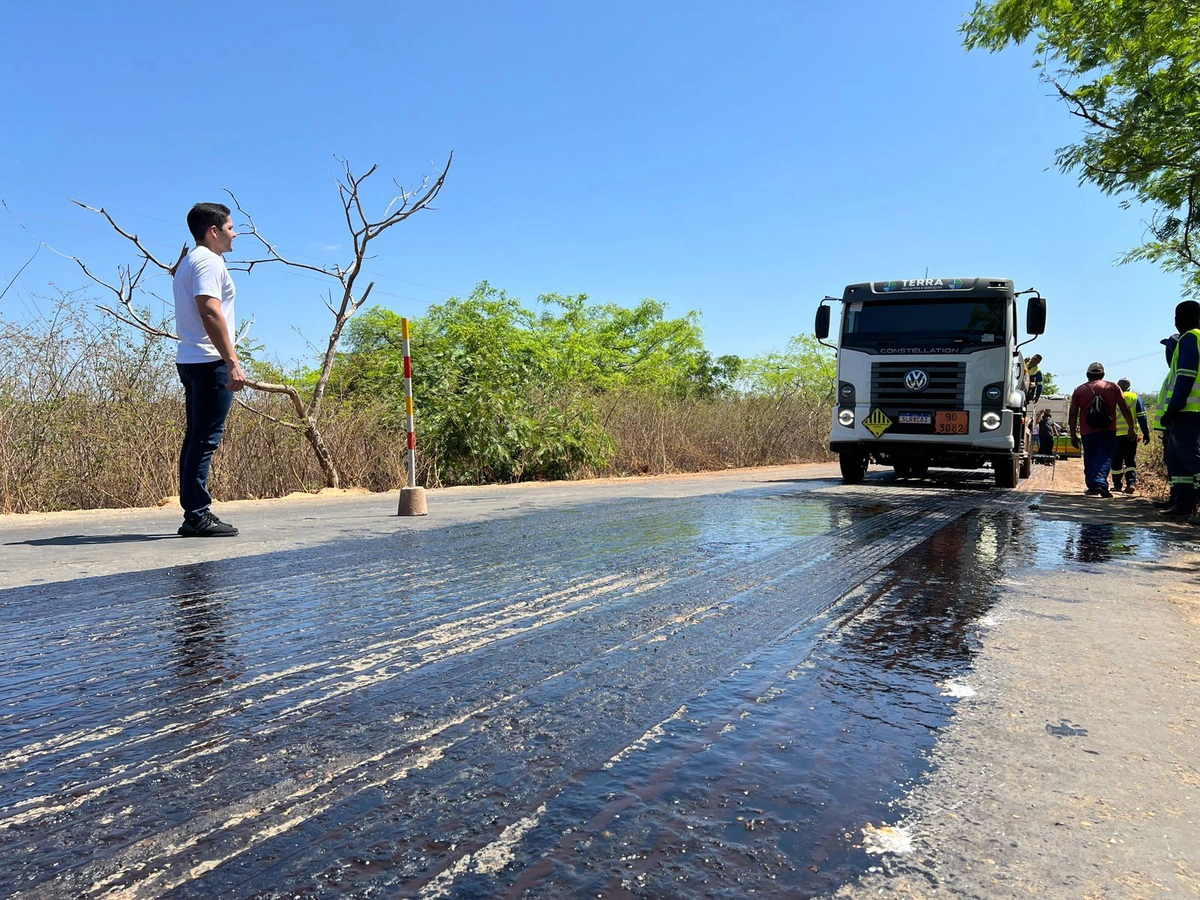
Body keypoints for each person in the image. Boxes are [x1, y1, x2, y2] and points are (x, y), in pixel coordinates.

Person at [173, 202, 246, 537]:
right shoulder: (207, 261)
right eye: (231, 227)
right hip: (207, 361)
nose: (235, 234)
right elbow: (210, 311)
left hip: (191, 360)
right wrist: (231, 360)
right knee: (204, 440)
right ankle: (197, 515)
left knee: (196, 438)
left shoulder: (191, 261)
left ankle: (195, 512)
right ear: (213, 231)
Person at [1068, 362, 1136, 498]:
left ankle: (1093, 486)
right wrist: (1131, 427)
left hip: (1087, 431)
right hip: (1108, 429)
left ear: (1087, 375)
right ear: (1103, 375)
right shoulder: (1113, 387)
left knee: (1090, 456)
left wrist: (1073, 435)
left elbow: (1073, 413)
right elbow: (1125, 407)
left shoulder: (1079, 390)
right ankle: (1099, 482)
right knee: (1104, 455)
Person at [1158, 301, 1200, 521]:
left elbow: (1185, 376)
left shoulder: (1190, 337)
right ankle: (1183, 504)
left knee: (1191, 457)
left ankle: (1186, 504)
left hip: (1189, 411)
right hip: (1189, 410)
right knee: (1176, 458)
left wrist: (1173, 409)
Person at [1111, 377, 1151, 493]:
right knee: (1130, 460)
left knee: (1116, 460)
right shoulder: (1135, 397)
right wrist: (1146, 433)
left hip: (1115, 434)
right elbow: (1142, 417)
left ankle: (1117, 485)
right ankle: (1131, 483)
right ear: (1129, 387)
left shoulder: (1112, 398)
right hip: (1131, 434)